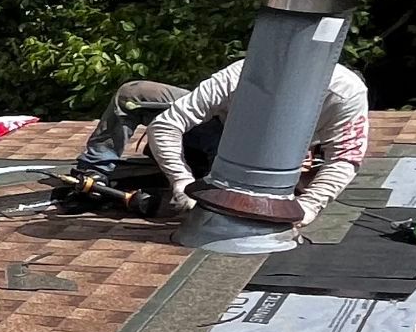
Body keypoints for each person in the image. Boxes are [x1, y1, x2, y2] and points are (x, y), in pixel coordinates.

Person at [66, 61, 369, 221]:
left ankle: (205, 173)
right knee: (134, 94)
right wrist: (181, 182)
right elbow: (166, 125)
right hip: (218, 129)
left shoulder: (346, 95)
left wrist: (309, 207)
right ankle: (93, 173)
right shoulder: (241, 76)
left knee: (223, 208)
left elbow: (344, 159)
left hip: (263, 161)